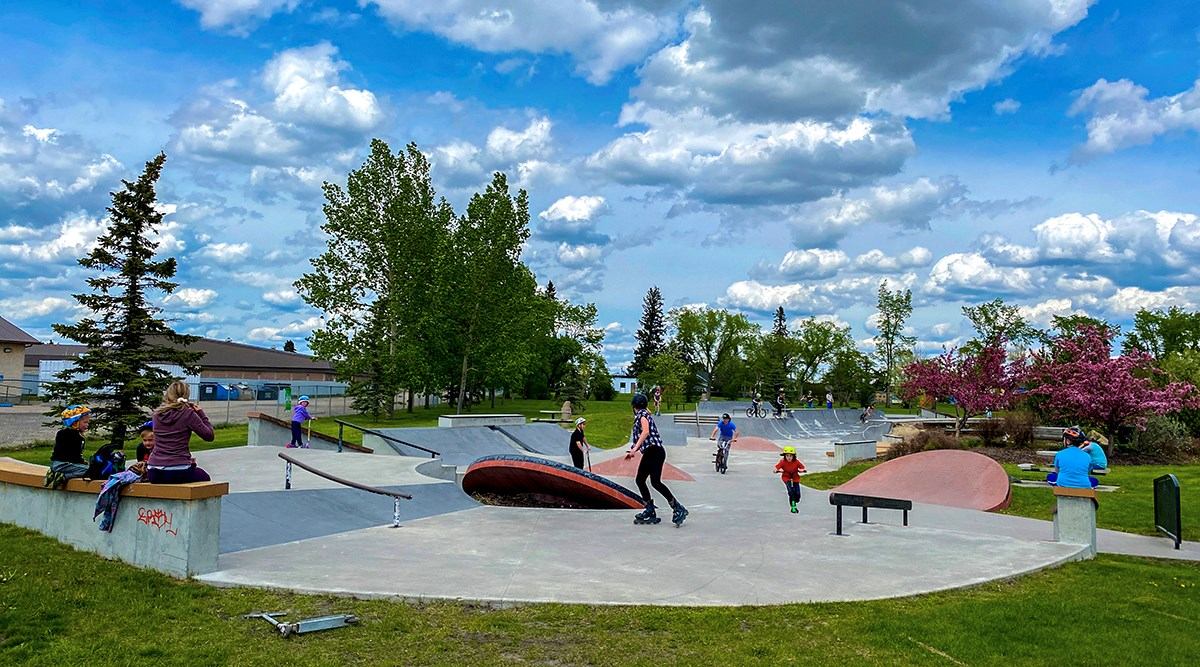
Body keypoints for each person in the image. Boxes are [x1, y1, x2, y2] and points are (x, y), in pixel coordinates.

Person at [625, 393, 687, 526]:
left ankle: (660, 509)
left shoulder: (642, 415)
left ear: (634, 406)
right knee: (651, 482)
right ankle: (670, 508)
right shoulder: (644, 414)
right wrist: (633, 450)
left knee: (645, 481)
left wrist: (635, 449)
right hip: (655, 451)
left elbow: (646, 431)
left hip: (654, 451)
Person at [146, 381, 213, 484]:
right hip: (178, 469)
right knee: (205, 477)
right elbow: (209, 436)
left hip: (153, 470)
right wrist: (201, 414)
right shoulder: (188, 414)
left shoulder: (157, 414)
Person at [49, 405, 92, 481]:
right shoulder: (75, 436)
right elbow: (74, 457)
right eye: (85, 422)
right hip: (63, 465)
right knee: (91, 471)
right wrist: (83, 463)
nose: (87, 425)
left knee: (88, 468)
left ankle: (55, 473)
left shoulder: (62, 433)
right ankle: (63, 477)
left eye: (88, 423)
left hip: (56, 464)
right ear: (75, 422)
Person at [774, 445, 807, 513]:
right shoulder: (783, 462)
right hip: (786, 477)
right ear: (785, 456)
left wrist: (803, 470)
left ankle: (796, 500)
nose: (789, 457)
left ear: (793, 456)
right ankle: (793, 507)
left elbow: (802, 467)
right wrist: (775, 470)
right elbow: (777, 467)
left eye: (790, 456)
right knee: (791, 492)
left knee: (797, 494)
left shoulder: (796, 462)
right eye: (787, 456)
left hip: (795, 477)